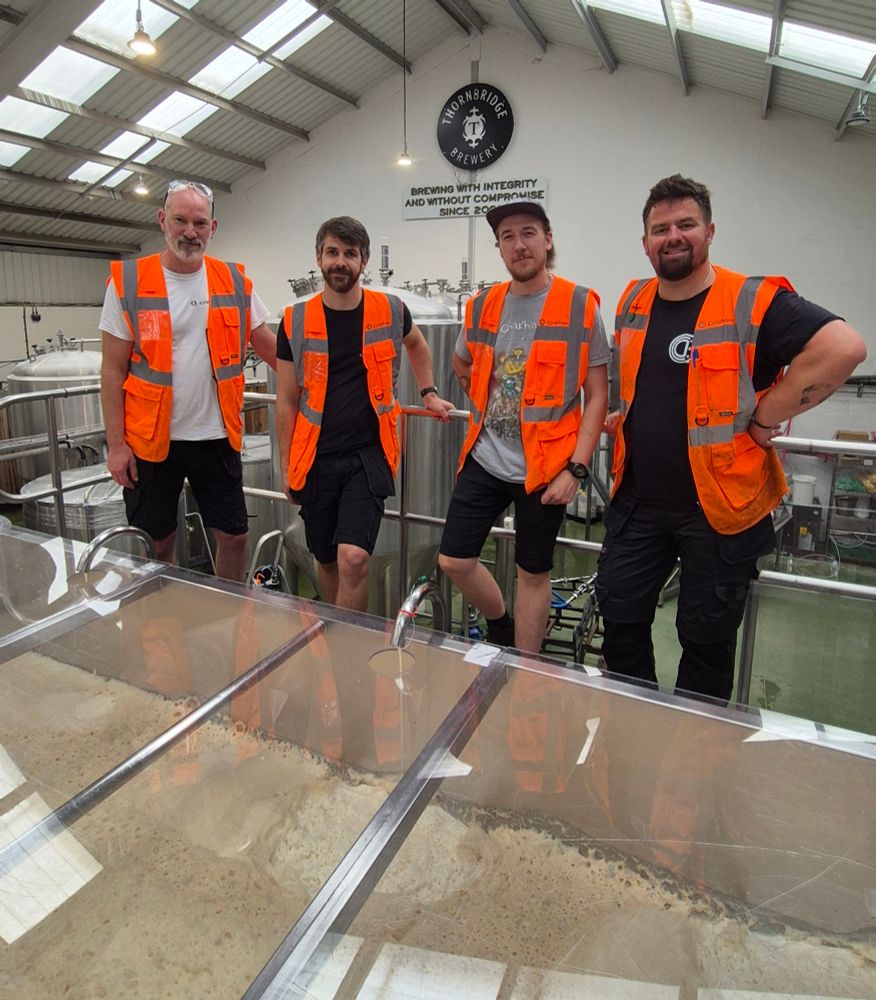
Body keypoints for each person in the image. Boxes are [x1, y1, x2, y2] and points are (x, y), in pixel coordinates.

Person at [596, 174, 867, 700]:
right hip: (639, 501)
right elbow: (643, 381)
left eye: (686, 224)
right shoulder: (634, 298)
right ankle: (637, 721)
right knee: (620, 616)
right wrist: (625, 415)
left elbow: (845, 348)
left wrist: (765, 418)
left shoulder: (751, 299)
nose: (673, 237)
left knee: (705, 640)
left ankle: (696, 739)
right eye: (660, 229)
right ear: (645, 242)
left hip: (720, 508)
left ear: (710, 231)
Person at [438, 201, 610, 654]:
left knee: (533, 573)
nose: (519, 244)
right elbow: (461, 362)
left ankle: (526, 670)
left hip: (547, 467)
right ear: (499, 248)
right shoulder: (482, 305)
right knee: (454, 559)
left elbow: (598, 395)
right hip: (486, 457)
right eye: (508, 237)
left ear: (547, 240)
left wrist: (576, 469)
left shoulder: (580, 305)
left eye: (529, 233)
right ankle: (500, 624)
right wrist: (490, 404)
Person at [100, 179, 277, 582]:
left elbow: (269, 347)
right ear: (162, 220)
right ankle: (164, 614)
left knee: (235, 536)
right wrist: (116, 445)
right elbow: (112, 369)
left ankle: (228, 608)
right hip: (150, 441)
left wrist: (324, 381)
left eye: (199, 223)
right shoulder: (128, 282)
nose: (190, 232)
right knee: (158, 543)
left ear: (213, 227)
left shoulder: (233, 281)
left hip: (216, 436)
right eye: (180, 220)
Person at [275, 215, 452, 612]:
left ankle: (348, 642)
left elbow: (418, 346)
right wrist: (286, 466)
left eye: (350, 254)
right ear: (319, 258)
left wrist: (429, 394)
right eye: (332, 252)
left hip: (368, 456)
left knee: (354, 558)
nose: (340, 262)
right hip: (315, 457)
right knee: (326, 559)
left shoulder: (390, 309)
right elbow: (286, 399)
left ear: (364, 260)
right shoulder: (295, 320)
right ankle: (341, 632)